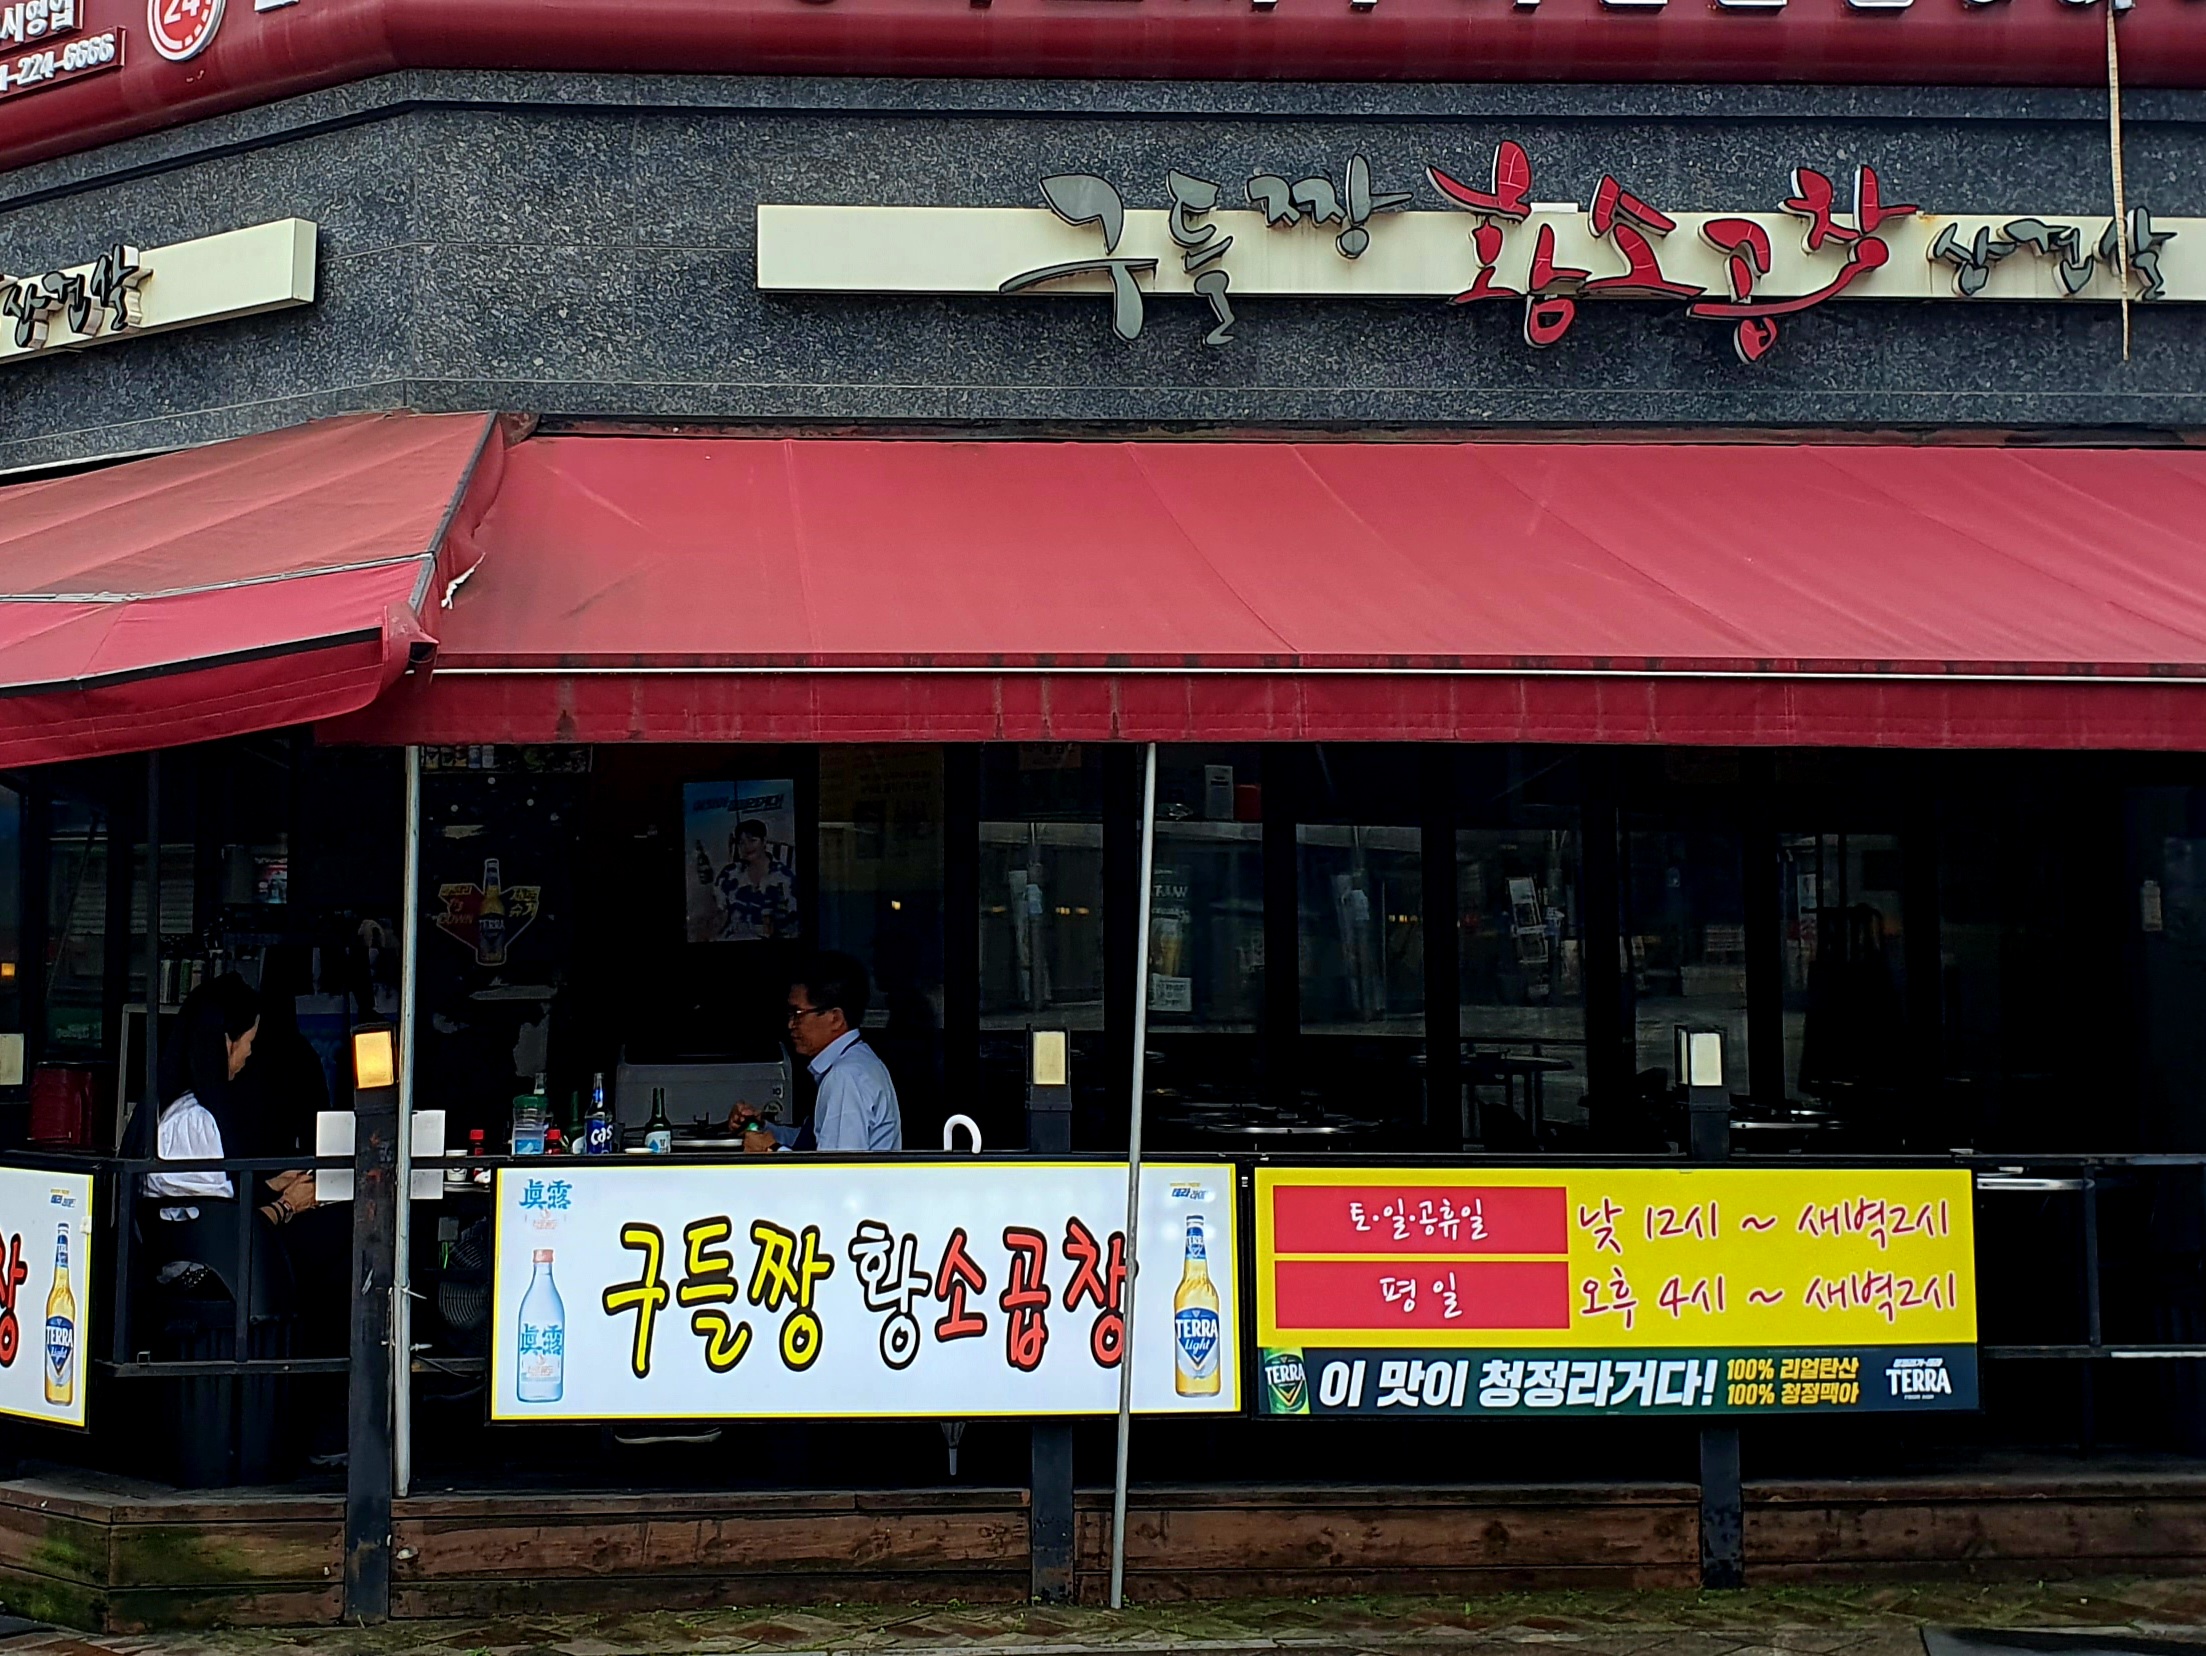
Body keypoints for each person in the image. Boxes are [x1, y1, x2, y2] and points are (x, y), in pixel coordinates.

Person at [141, 976, 319, 1251]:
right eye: (250, 1041)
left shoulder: (181, 1111)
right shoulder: (193, 1124)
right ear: (227, 1042)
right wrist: (289, 1204)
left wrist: (274, 1184)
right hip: (201, 1264)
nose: (250, 1052)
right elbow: (229, 1231)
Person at [737, 951, 901, 1153]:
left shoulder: (846, 1077)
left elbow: (836, 1167)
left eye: (798, 1014)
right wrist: (761, 1129)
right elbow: (813, 1143)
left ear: (835, 1018)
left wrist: (770, 1150)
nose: (790, 1024)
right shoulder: (855, 1063)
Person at [715, 819, 799, 942]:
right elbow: (718, 913)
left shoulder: (784, 878)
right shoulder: (729, 873)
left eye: (752, 841)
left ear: (764, 841)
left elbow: (792, 925)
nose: (747, 847)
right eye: (741, 843)